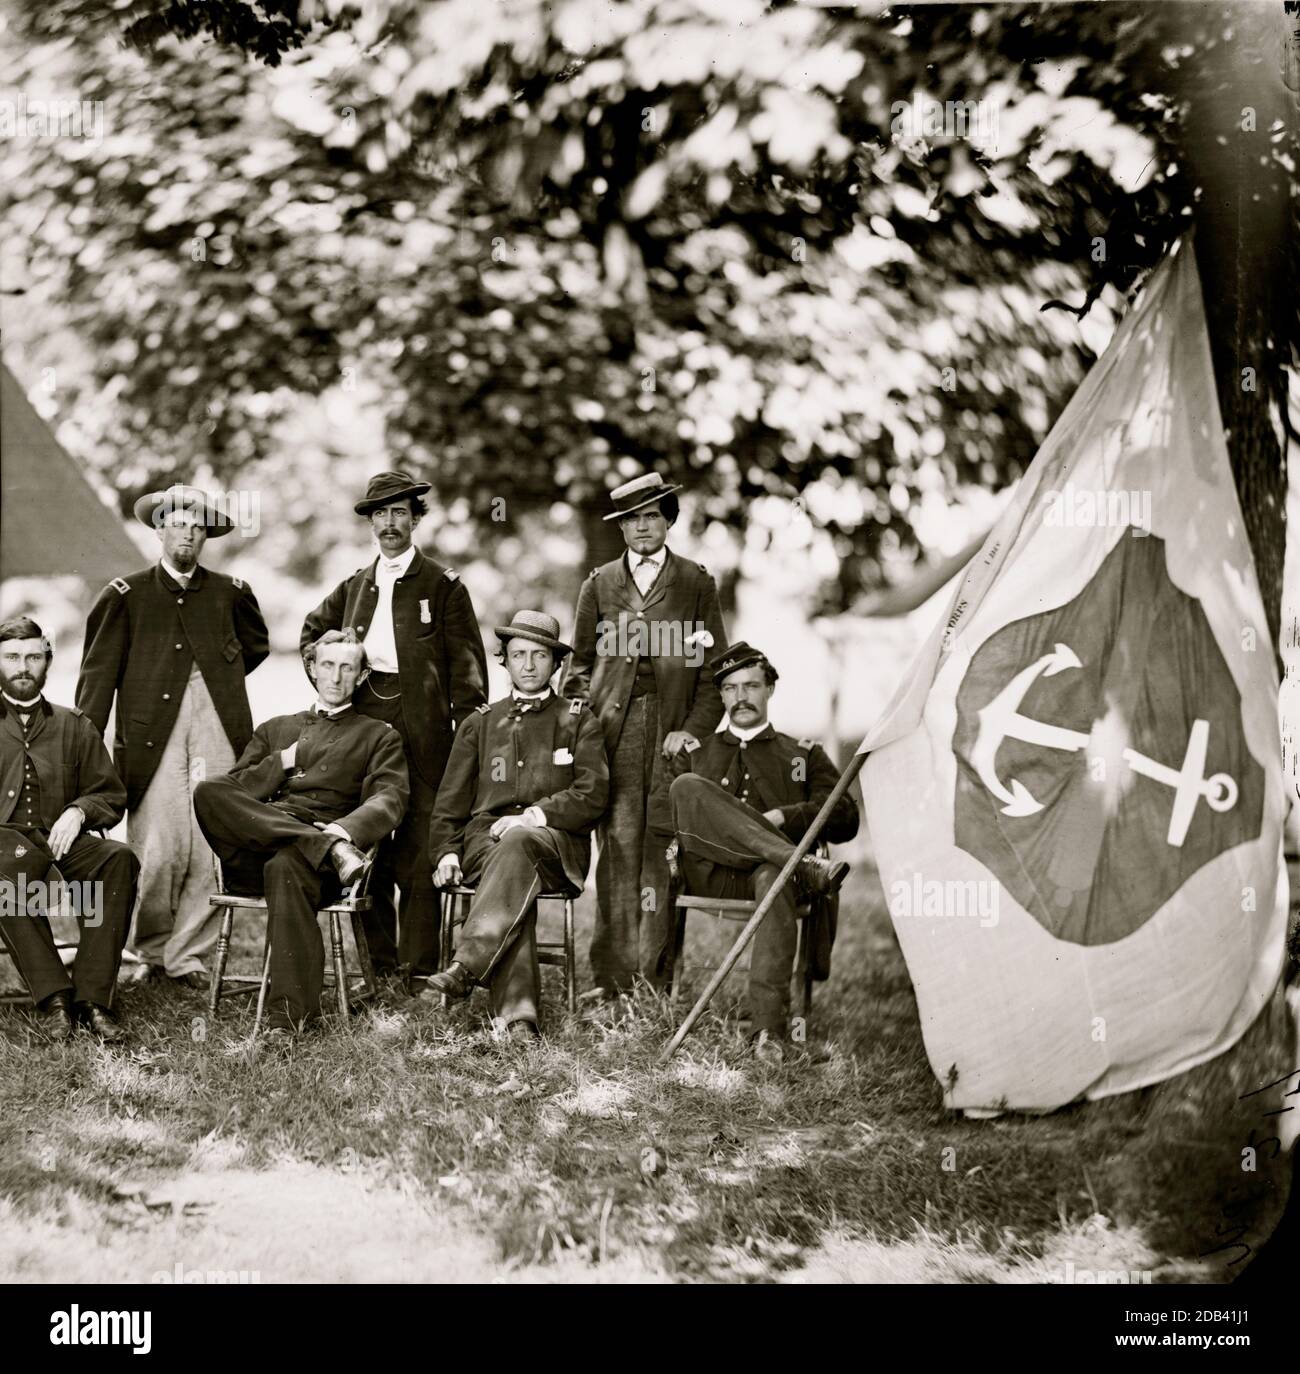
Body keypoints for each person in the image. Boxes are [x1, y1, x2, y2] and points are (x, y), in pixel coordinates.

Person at [76, 484, 268, 990]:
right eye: (177, 521)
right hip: (149, 736)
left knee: (210, 844)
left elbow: (255, 646)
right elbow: (97, 679)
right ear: (159, 527)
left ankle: (189, 957)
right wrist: (83, 747)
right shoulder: (125, 594)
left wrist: (214, 681)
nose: (187, 531)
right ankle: (150, 948)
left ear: (206, 534)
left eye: (197, 524)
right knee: (159, 844)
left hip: (217, 727)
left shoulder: (232, 592)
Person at [301, 470, 488, 987]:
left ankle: (421, 969)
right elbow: (313, 634)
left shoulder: (443, 586)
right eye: (380, 514)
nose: (389, 523)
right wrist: (331, 682)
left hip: (425, 731)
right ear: (370, 522)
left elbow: (470, 678)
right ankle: (379, 970)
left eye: (399, 512)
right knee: (368, 845)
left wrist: (464, 746)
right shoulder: (355, 585)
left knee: (424, 846)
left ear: (416, 519)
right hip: (361, 723)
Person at [192, 631, 408, 1038]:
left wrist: (345, 829)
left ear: (362, 677)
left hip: (314, 870)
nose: (335, 676)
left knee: (287, 864)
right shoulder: (276, 729)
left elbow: (390, 799)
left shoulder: (378, 735)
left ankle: (287, 1020)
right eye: (327, 665)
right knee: (208, 790)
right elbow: (235, 792)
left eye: (348, 668)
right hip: (261, 851)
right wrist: (283, 761)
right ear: (312, 668)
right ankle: (324, 847)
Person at [563, 472, 728, 1002]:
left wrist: (692, 731)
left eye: (651, 516)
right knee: (616, 848)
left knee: (662, 851)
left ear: (668, 520)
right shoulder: (600, 583)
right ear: (620, 528)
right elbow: (579, 666)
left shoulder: (696, 582)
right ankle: (610, 982)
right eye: (631, 519)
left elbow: (714, 672)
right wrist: (588, 721)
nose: (641, 527)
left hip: (672, 731)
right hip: (612, 736)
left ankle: (654, 983)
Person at [663, 642, 859, 1063]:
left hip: (770, 880)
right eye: (731, 688)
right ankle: (801, 864)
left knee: (775, 874)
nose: (741, 697)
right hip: (711, 871)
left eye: (751, 686)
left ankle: (768, 1034)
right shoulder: (697, 757)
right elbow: (675, 820)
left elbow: (846, 817)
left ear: (770, 690)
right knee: (686, 789)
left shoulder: (802, 754)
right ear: (721, 697)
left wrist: (785, 817)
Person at [423, 611, 608, 1038]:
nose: (528, 664)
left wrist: (533, 816)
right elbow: (450, 803)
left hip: (555, 844)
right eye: (518, 654)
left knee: (520, 845)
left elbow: (593, 793)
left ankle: (468, 964)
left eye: (539, 655)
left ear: (556, 663)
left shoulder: (579, 720)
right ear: (503, 660)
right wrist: (447, 852)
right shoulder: (481, 722)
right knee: (512, 870)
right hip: (485, 844)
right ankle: (519, 1019)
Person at [0, 617, 139, 1041]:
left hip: (63, 839)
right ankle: (55, 1000)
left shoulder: (74, 724)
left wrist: (78, 811)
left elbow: (110, 794)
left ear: (48, 662)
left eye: (33, 657)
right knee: (5, 878)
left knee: (117, 859)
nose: (23, 666)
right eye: (12, 657)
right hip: (5, 845)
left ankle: (93, 1001)